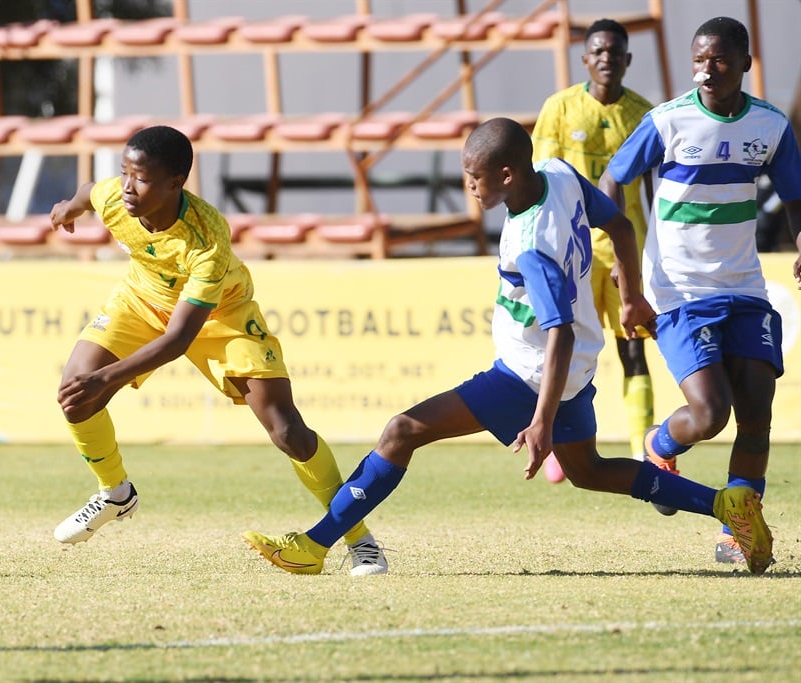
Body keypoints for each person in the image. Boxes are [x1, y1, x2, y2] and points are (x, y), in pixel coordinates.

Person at [243, 118, 774, 576]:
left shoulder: (528, 242)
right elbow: (621, 223)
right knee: (588, 471)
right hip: (575, 369)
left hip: (528, 375)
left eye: (473, 176)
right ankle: (728, 504)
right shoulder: (562, 175)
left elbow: (557, 327)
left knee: (401, 432)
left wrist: (541, 419)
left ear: (505, 175)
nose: (467, 185)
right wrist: (631, 296)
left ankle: (314, 546)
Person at [48, 124, 388, 576]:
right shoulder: (116, 197)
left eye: (143, 178)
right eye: (125, 173)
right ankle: (115, 492)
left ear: (175, 183)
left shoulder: (207, 239)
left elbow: (178, 340)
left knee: (288, 432)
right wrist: (66, 208)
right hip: (140, 300)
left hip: (220, 316)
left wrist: (106, 378)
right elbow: (91, 192)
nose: (129, 187)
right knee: (76, 395)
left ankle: (358, 539)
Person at [599, 16, 801, 565]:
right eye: (699, 60)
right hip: (681, 291)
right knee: (711, 414)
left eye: (719, 61)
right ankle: (660, 445)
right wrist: (623, 262)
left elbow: (794, 192)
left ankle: (740, 530)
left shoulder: (771, 125)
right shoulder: (668, 121)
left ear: (745, 64)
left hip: (746, 288)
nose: (707, 70)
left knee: (757, 410)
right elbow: (613, 180)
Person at [531, 19, 655, 481]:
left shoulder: (644, 114)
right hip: (573, 253)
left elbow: (655, 189)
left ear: (627, 59)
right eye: (598, 51)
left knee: (633, 348)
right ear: (586, 59)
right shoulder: (561, 108)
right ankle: (561, 445)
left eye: (615, 52)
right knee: (567, 347)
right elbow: (540, 175)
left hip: (625, 250)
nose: (606, 58)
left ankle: (646, 448)